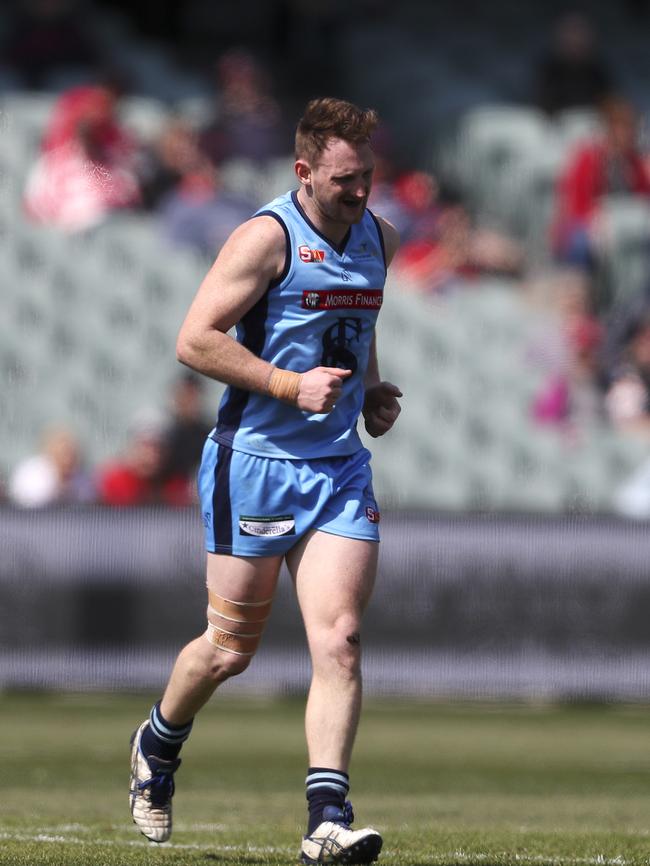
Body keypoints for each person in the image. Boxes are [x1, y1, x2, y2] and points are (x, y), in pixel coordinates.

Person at [128, 96, 402, 865]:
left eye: (368, 176)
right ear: (304, 171)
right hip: (253, 465)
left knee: (340, 639)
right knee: (227, 650)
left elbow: (358, 323)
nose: (361, 192)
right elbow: (194, 340)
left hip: (338, 466)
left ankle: (326, 819)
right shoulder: (266, 237)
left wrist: (370, 388)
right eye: (346, 179)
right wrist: (288, 387)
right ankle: (157, 743)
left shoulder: (381, 236)